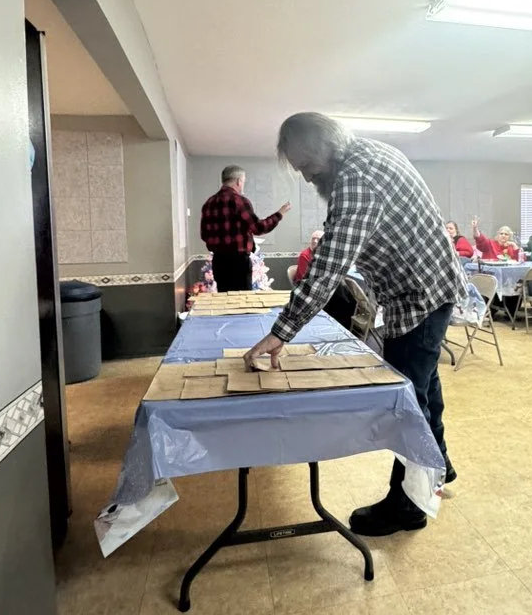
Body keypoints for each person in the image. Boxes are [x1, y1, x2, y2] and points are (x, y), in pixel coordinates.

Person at [244, 112, 469, 536]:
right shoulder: (371, 153)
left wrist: (281, 332)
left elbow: (330, 262)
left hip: (418, 295)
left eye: (308, 168)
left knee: (407, 401)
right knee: (424, 386)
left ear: (326, 148)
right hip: (431, 286)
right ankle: (440, 468)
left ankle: (409, 505)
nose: (309, 179)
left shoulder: (356, 178)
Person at [200, 165, 291, 291]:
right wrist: (280, 214)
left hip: (219, 262)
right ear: (238, 181)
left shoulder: (209, 203)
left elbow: (204, 235)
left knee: (225, 301)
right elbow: (258, 228)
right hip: (238, 263)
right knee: (243, 302)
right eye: (243, 182)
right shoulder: (240, 201)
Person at [294, 229, 357, 330]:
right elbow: (304, 278)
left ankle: (343, 326)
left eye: (318, 239)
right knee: (340, 299)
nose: (315, 241)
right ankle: (337, 326)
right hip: (310, 288)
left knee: (349, 297)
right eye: (313, 239)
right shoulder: (305, 255)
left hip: (323, 285)